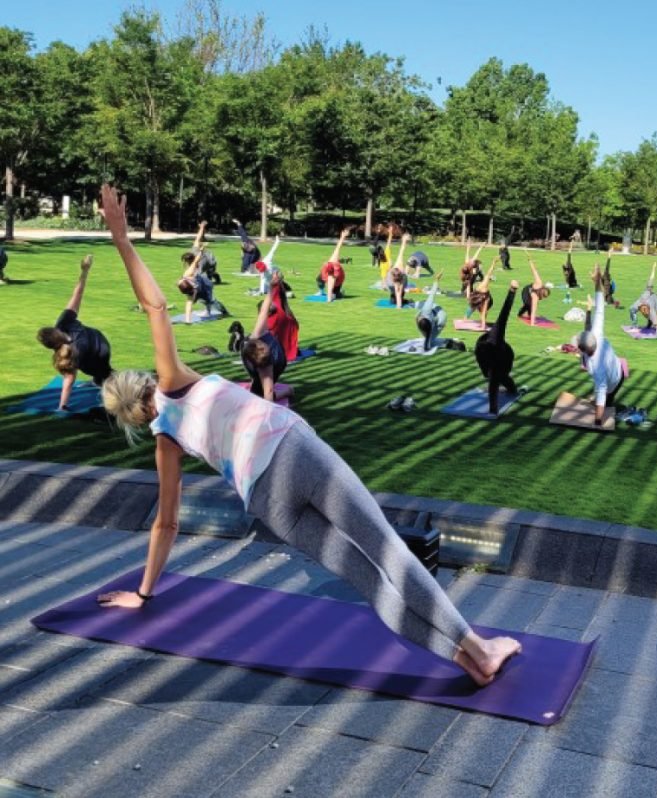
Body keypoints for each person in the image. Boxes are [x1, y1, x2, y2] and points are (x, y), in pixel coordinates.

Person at [95, 184, 520, 687]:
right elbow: (157, 307)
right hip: (289, 452)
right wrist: (123, 241)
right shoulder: (170, 381)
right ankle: (478, 648)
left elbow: (165, 524)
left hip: (265, 501)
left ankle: (466, 659)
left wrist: (143, 593)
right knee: (386, 549)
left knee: (369, 580)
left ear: (131, 419)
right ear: (142, 381)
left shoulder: (166, 440)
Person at [37, 254, 114, 410]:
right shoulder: (62, 323)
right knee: (94, 367)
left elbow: (69, 379)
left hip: (99, 353)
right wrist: (85, 270)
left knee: (102, 373)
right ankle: (99, 378)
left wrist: (62, 406)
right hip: (99, 339)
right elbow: (77, 294)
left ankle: (107, 379)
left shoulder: (71, 353)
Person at [578, 265, 626, 426]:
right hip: (616, 363)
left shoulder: (597, 368)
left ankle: (614, 405)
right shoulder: (596, 334)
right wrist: (597, 281)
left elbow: (601, 395)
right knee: (599, 390)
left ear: (586, 350)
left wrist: (598, 421)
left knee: (605, 401)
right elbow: (600, 307)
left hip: (615, 378)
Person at [475, 280, 520, 416]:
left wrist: (512, 291)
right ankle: (511, 389)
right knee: (496, 378)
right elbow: (485, 370)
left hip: (505, 357)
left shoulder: (495, 337)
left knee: (496, 378)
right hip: (494, 358)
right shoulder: (480, 350)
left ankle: (496, 405)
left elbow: (504, 315)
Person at [241, 287, 294, 403]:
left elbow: (264, 311)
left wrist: (272, 287)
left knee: (259, 394)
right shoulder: (258, 336)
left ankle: (288, 390)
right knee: (261, 391)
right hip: (262, 388)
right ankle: (287, 390)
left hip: (273, 363)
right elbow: (263, 311)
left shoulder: (258, 336)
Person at [178, 257, 229, 324]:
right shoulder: (191, 293)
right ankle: (208, 310)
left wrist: (201, 251)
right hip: (199, 288)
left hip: (206, 284)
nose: (179, 280)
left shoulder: (188, 274)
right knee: (203, 300)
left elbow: (195, 261)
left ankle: (222, 311)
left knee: (210, 300)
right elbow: (188, 305)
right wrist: (188, 320)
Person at [415, 272, 447, 351]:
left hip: (439, 314)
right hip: (431, 320)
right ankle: (427, 336)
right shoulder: (421, 316)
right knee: (428, 340)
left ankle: (428, 335)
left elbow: (432, 295)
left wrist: (436, 280)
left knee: (429, 338)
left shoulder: (426, 310)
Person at [317, 227, 351, 302]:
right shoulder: (332, 260)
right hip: (328, 272)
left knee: (335, 295)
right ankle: (321, 291)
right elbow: (338, 248)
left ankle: (340, 292)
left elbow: (330, 285)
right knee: (318, 279)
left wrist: (329, 298)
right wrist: (342, 237)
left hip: (338, 280)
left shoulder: (335, 274)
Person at [517, 258, 552, 326]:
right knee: (529, 305)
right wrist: (532, 324)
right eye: (543, 296)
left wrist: (530, 262)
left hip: (531, 292)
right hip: (525, 291)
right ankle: (520, 313)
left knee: (530, 308)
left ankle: (524, 312)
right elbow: (534, 310)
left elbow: (535, 271)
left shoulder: (540, 283)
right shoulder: (535, 296)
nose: (543, 298)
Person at [467, 257, 498, 328]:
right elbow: (489, 272)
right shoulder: (484, 284)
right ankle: (482, 324)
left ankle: (481, 323)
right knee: (482, 312)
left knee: (479, 310)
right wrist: (494, 263)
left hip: (480, 294)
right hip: (482, 295)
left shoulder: (481, 286)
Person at [630, 263, 657, 330]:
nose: (644, 313)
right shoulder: (638, 303)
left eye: (645, 313)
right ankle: (635, 323)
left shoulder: (652, 310)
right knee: (631, 309)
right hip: (644, 301)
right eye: (644, 312)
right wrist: (653, 268)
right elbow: (651, 279)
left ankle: (649, 323)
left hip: (655, 302)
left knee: (652, 318)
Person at [386, 233, 412, 308]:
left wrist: (399, 306)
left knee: (396, 298)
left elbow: (399, 293)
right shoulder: (394, 273)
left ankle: (401, 300)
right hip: (393, 281)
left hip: (399, 278)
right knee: (395, 297)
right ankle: (395, 298)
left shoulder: (401, 277)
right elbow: (398, 293)